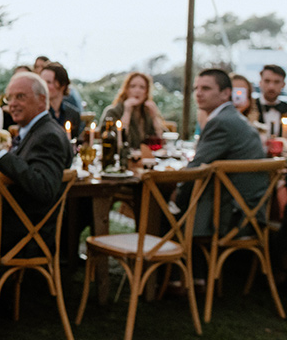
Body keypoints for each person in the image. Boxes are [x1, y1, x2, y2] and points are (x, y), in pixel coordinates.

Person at [0, 72, 73, 251]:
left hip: (21, 234)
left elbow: (44, 187)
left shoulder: (48, 135)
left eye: (20, 97)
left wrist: (3, 157)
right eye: (9, 98)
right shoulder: (34, 131)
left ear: (42, 100)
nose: (12, 104)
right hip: (9, 224)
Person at [174, 69, 267, 238]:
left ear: (226, 93)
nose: (199, 93)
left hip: (233, 217)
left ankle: (162, 260)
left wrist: (174, 198)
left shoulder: (221, 122)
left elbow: (194, 171)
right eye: (196, 88)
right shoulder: (232, 117)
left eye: (206, 88)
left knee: (160, 202)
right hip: (251, 213)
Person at [100, 72, 164, 149]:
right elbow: (114, 142)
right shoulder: (112, 112)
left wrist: (154, 117)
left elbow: (163, 141)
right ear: (126, 89)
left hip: (146, 159)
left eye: (142, 87)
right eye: (133, 86)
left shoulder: (148, 112)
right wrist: (127, 112)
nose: (137, 90)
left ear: (147, 92)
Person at [40, 62, 82, 136]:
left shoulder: (73, 114)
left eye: (48, 82)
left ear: (62, 85)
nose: (43, 86)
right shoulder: (38, 113)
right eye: (41, 82)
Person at [258, 64, 287, 137]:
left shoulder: (285, 108)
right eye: (267, 81)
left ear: (283, 84)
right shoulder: (249, 107)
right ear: (260, 82)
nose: (271, 87)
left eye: (276, 82)